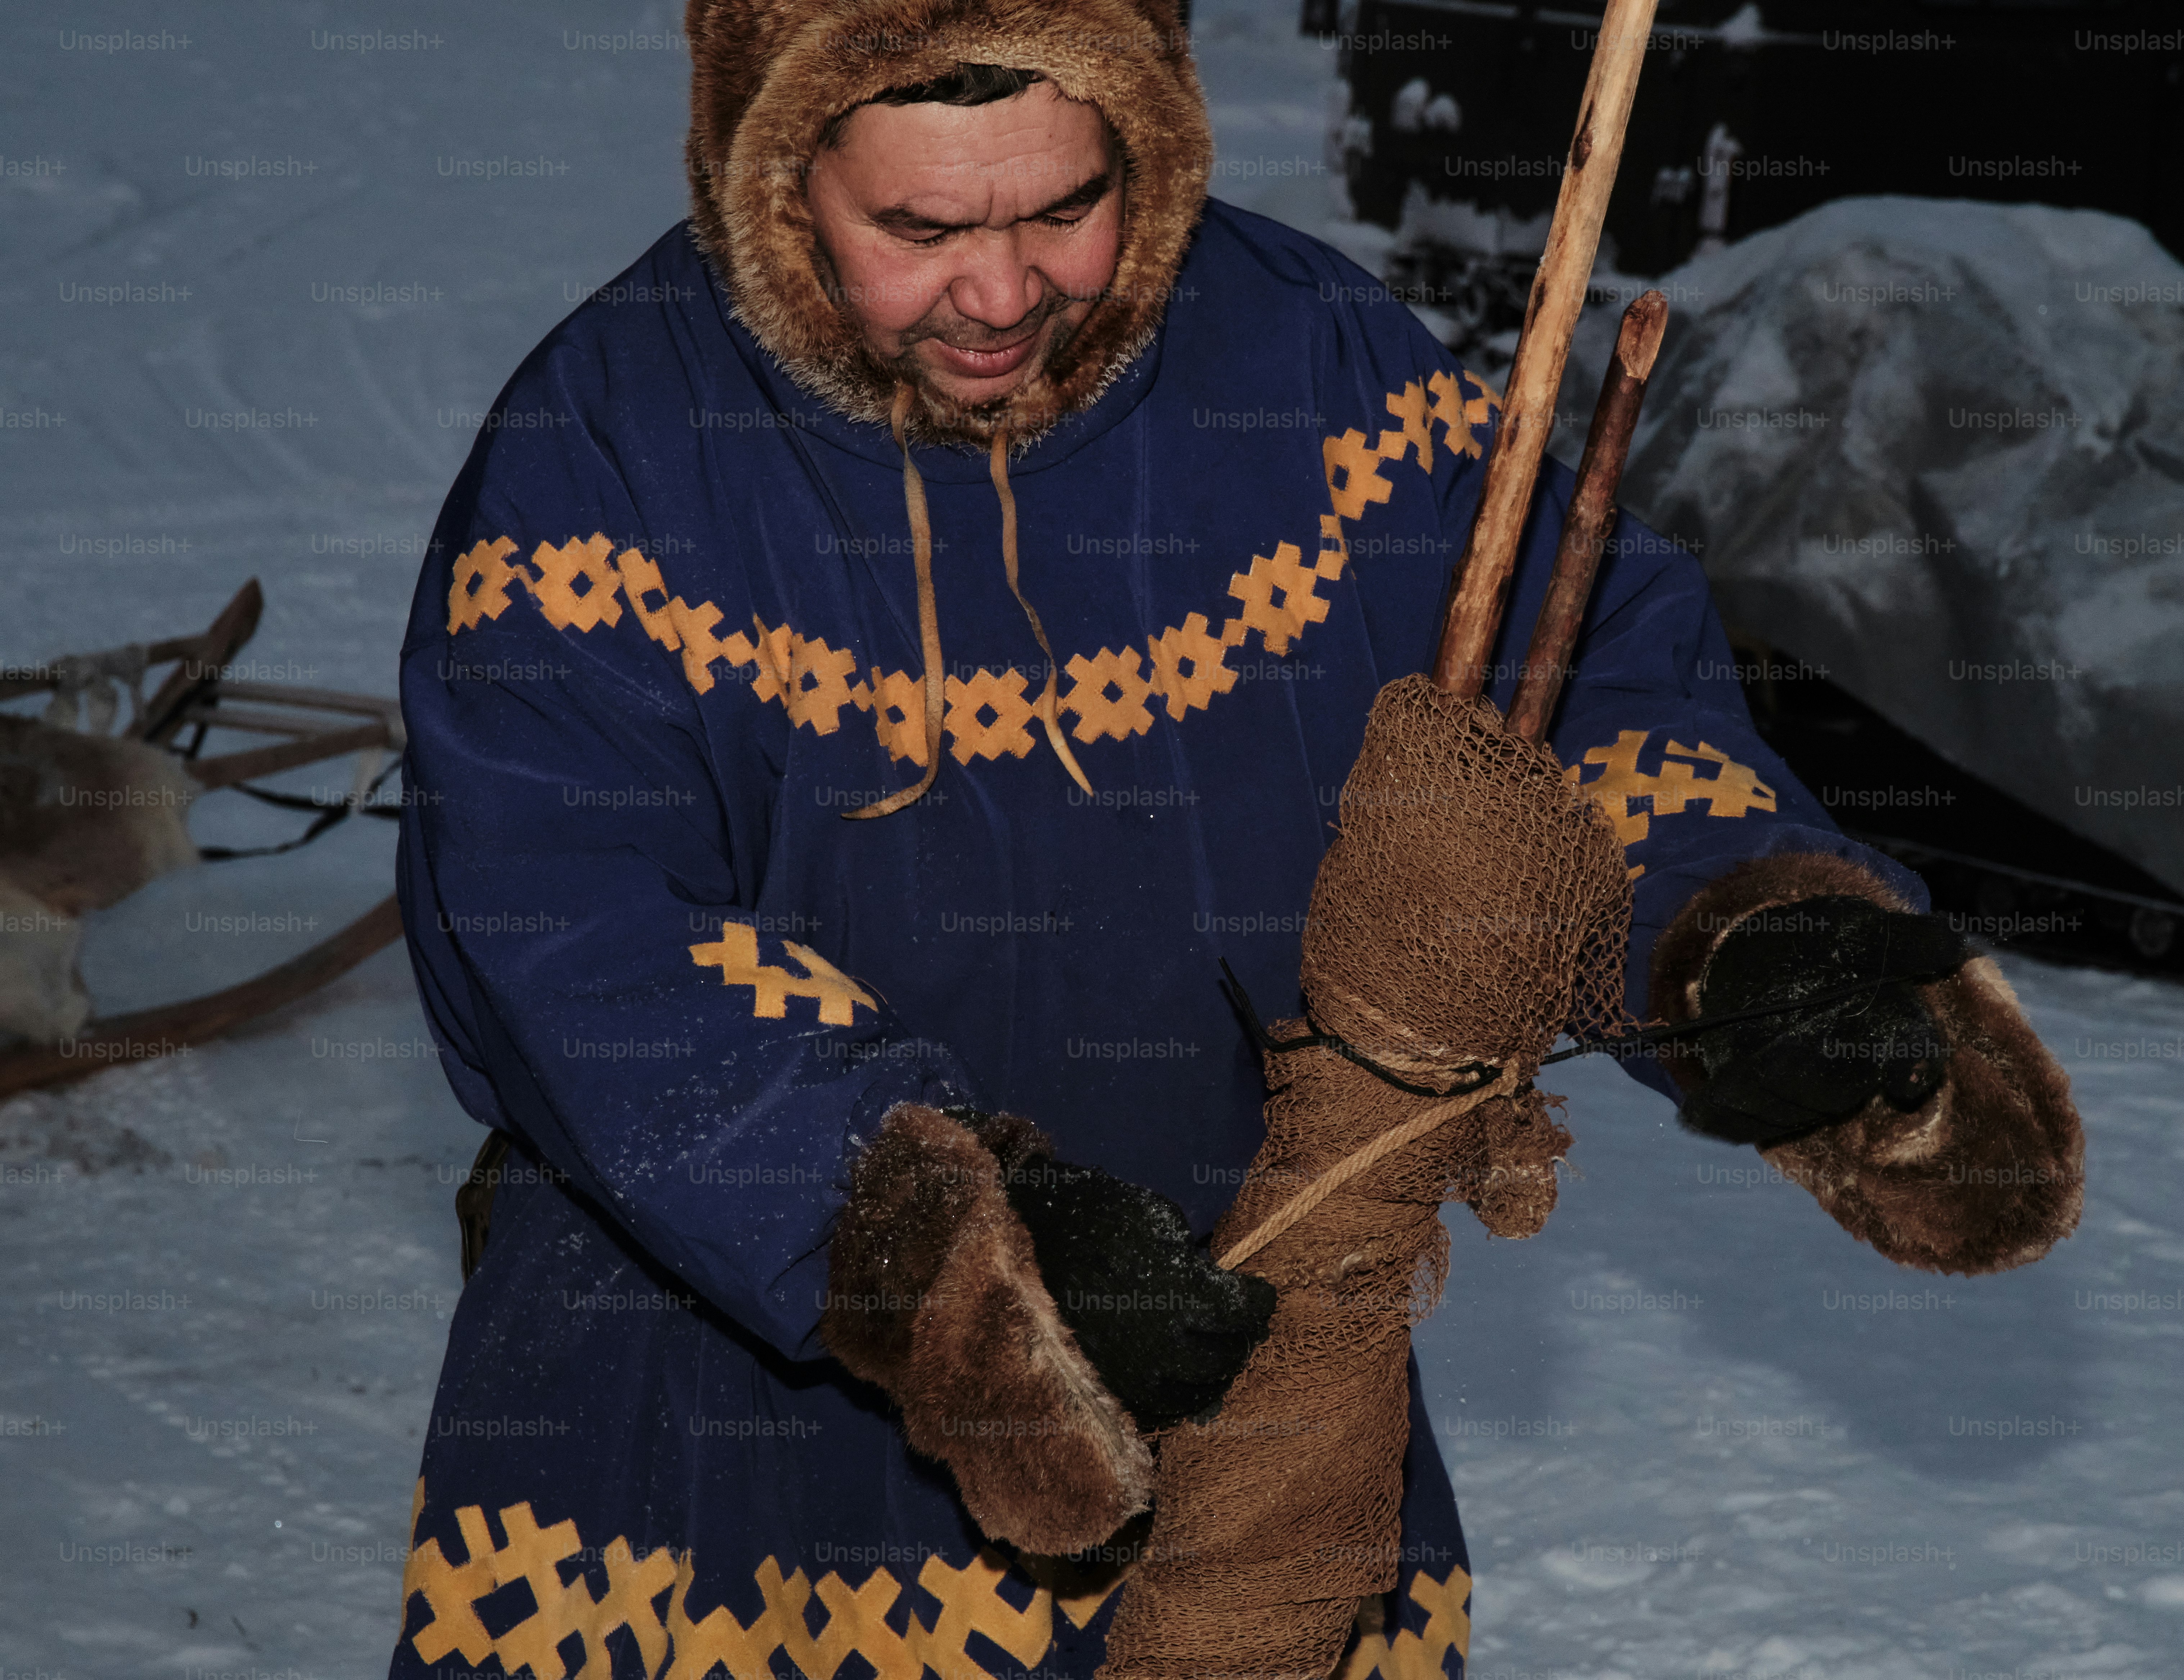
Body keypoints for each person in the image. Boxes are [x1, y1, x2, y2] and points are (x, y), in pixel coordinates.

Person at [389, 2, 2082, 1675]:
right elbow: (569, 935)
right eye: (916, 226)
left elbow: (1558, 709)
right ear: (774, 170)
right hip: (718, 1425)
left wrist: (1738, 929)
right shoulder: (605, 459)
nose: (1000, 292)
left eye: (1066, 205)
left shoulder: (1310, 372)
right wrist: (937, 1249)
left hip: (1257, 1359)